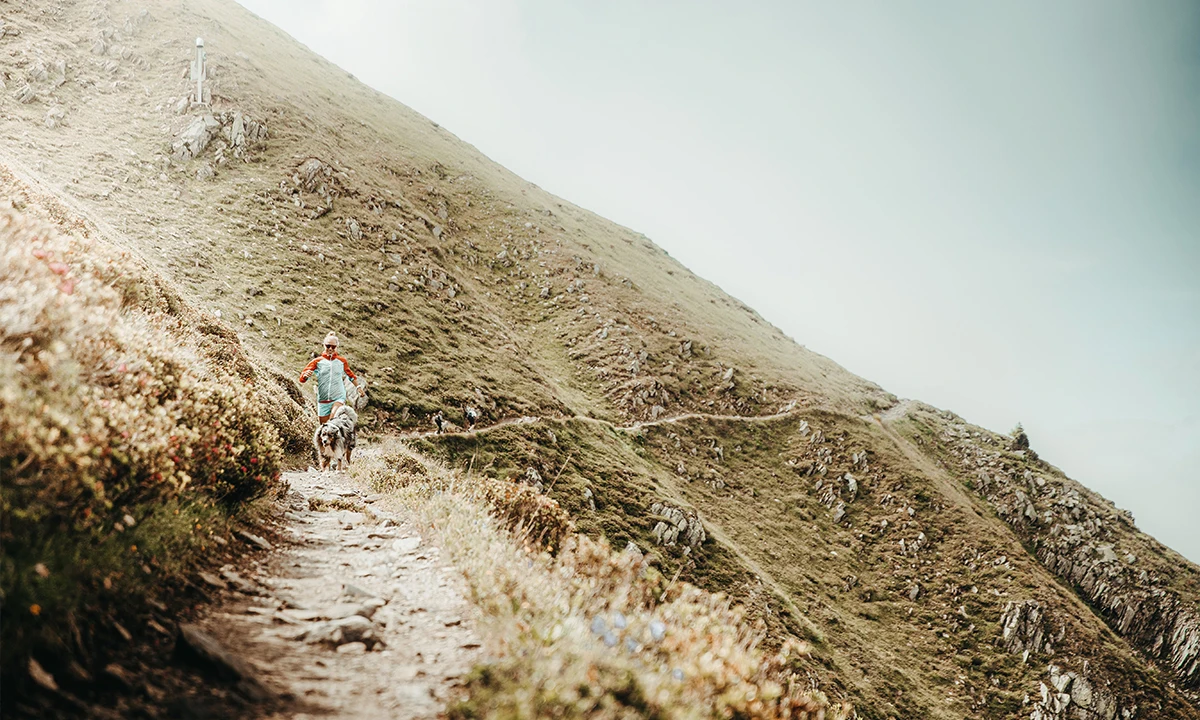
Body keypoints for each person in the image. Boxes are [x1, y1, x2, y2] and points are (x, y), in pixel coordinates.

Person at [298, 332, 365, 424]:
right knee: (324, 429)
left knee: (333, 419)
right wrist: (305, 376)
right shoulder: (317, 361)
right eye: (328, 346)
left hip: (338, 397)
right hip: (323, 400)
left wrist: (358, 387)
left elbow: (351, 376)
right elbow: (302, 379)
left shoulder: (342, 361)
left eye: (333, 347)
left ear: (337, 347)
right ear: (323, 345)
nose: (330, 349)